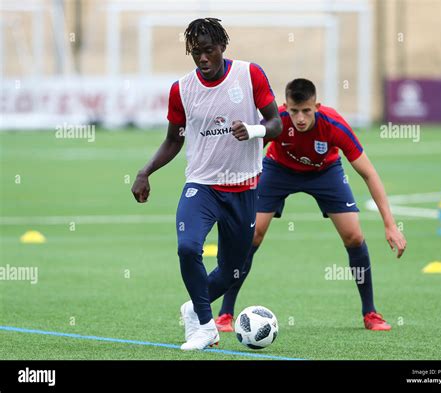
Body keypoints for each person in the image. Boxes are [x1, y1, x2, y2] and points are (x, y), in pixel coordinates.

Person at [131, 18, 282, 350]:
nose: (203, 59)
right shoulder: (181, 89)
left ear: (222, 47)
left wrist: (255, 131)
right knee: (188, 248)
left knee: (232, 272)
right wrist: (145, 172)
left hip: (243, 187)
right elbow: (174, 139)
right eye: (197, 52)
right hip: (201, 185)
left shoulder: (249, 74)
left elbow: (277, 124)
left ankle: (193, 307)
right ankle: (205, 325)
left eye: (209, 51)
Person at [215, 78, 407, 332]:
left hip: (324, 171)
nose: (300, 118)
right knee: (253, 235)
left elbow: (369, 173)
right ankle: (225, 313)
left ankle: (370, 313)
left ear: (317, 106)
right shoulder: (278, 120)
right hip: (278, 169)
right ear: (286, 107)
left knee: (353, 235)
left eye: (306, 110)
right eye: (294, 111)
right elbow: (244, 155)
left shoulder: (334, 124)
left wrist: (390, 224)